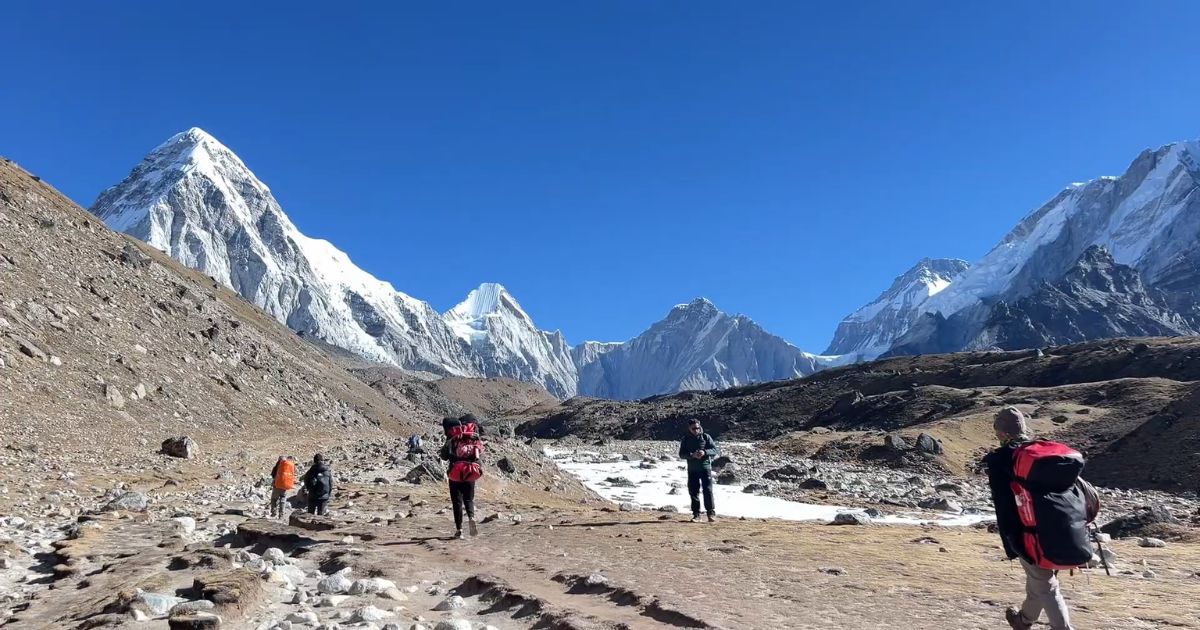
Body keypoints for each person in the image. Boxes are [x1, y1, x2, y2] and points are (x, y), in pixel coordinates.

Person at [983, 407, 1075, 630]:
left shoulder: (1002, 460)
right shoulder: (1044, 454)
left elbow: (1004, 505)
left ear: (1002, 432)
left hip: (1028, 532)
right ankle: (1023, 620)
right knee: (1039, 578)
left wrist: (1011, 540)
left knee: (1045, 584)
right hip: (1061, 528)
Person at [440, 414, 483, 539]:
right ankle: (471, 517)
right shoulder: (472, 436)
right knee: (469, 499)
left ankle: (459, 530)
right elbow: (479, 453)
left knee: (457, 502)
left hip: (455, 472)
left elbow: (444, 456)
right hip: (470, 471)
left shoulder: (452, 438)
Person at [678, 419, 718, 523]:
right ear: (689, 428)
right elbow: (681, 454)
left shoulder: (706, 437)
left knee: (707, 490)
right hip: (692, 469)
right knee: (693, 491)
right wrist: (692, 455)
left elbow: (714, 450)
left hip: (705, 468)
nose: (696, 430)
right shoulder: (685, 439)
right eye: (693, 428)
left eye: (697, 428)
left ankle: (711, 513)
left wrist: (704, 452)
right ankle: (696, 515)